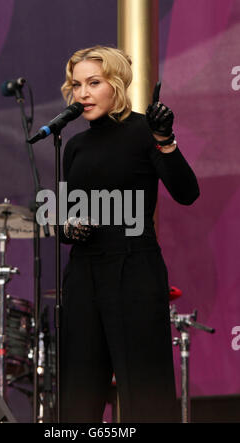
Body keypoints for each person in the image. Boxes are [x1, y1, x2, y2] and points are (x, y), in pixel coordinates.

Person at [58, 45, 199, 423]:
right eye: (76, 85)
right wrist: (67, 225)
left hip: (134, 269)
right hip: (84, 273)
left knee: (145, 391)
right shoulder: (74, 146)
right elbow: (63, 219)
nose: (82, 94)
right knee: (78, 394)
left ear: (116, 84)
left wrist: (165, 141)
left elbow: (187, 193)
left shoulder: (144, 132)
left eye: (94, 83)